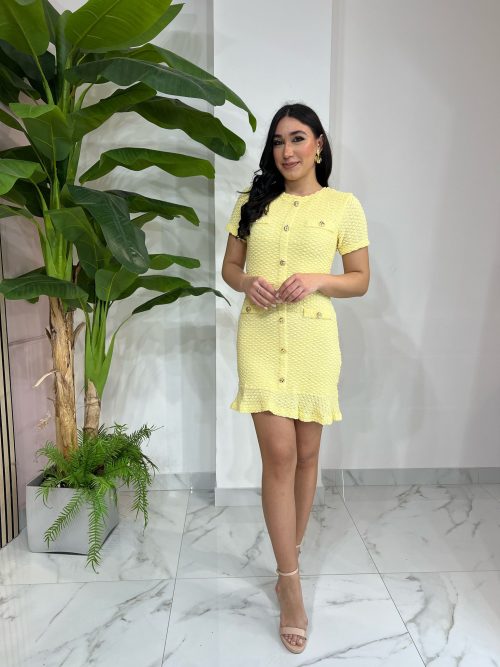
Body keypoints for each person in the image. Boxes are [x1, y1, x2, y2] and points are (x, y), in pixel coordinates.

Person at [221, 103, 370, 654]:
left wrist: (318, 279)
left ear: (319, 144)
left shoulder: (343, 206)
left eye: (298, 138)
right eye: (279, 141)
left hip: (313, 341)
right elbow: (229, 267)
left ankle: (292, 552)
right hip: (260, 337)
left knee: (308, 455)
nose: (287, 151)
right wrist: (247, 282)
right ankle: (290, 585)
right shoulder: (250, 201)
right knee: (279, 455)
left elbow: (360, 280)